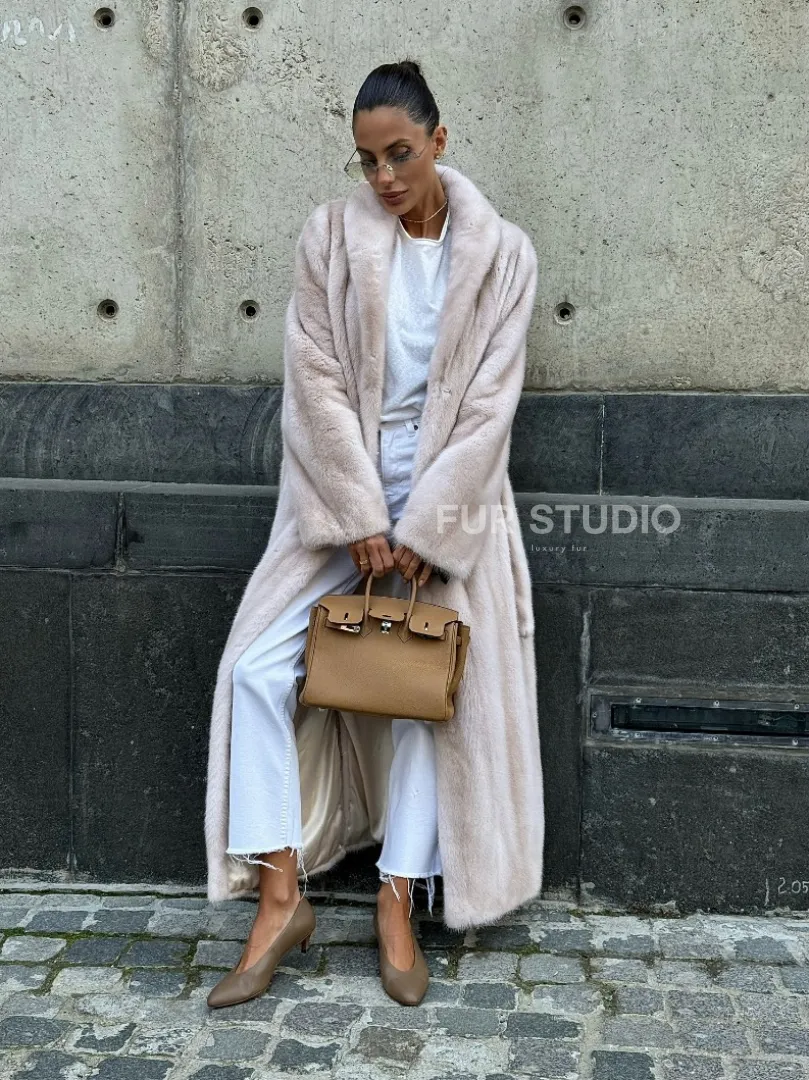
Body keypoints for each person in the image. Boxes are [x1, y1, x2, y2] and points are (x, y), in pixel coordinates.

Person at [204, 58, 544, 1010]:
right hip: (338, 495)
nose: (384, 176)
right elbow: (311, 382)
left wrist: (428, 526)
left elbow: (490, 406)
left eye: (399, 154)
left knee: (429, 692)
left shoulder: (503, 255)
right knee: (256, 673)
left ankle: (396, 900)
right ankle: (280, 899)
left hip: (450, 503)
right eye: (366, 160)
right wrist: (359, 516)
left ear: (439, 140)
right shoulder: (330, 238)